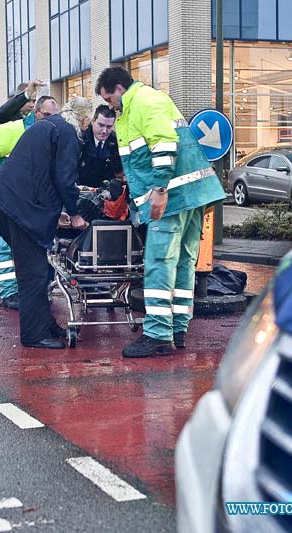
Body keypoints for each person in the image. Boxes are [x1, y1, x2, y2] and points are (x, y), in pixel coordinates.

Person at [95, 67, 226, 358]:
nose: (111, 107)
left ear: (118, 88)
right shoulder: (153, 100)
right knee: (181, 263)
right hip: (191, 195)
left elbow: (164, 142)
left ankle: (157, 334)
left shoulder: (141, 102)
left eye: (110, 99)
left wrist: (159, 189)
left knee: (159, 262)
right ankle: (177, 329)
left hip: (172, 198)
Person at [0, 97, 92, 349]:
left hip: (11, 202)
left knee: (39, 270)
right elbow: (65, 178)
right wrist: (74, 213)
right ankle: (33, 334)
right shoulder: (68, 133)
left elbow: (44, 174)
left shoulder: (51, 126)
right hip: (20, 207)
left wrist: (57, 213)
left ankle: (45, 325)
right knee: (34, 274)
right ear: (84, 120)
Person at [0, 96, 60, 309]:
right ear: (36, 112)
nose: (51, 120)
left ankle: (28, 289)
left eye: (55, 116)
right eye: (47, 115)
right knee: (6, 246)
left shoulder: (50, 133)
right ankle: (8, 292)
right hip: (6, 198)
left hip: (29, 200)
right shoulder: (12, 130)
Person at [78, 105, 123, 188]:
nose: (104, 131)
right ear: (92, 121)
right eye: (101, 125)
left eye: (109, 127)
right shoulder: (80, 139)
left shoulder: (115, 141)